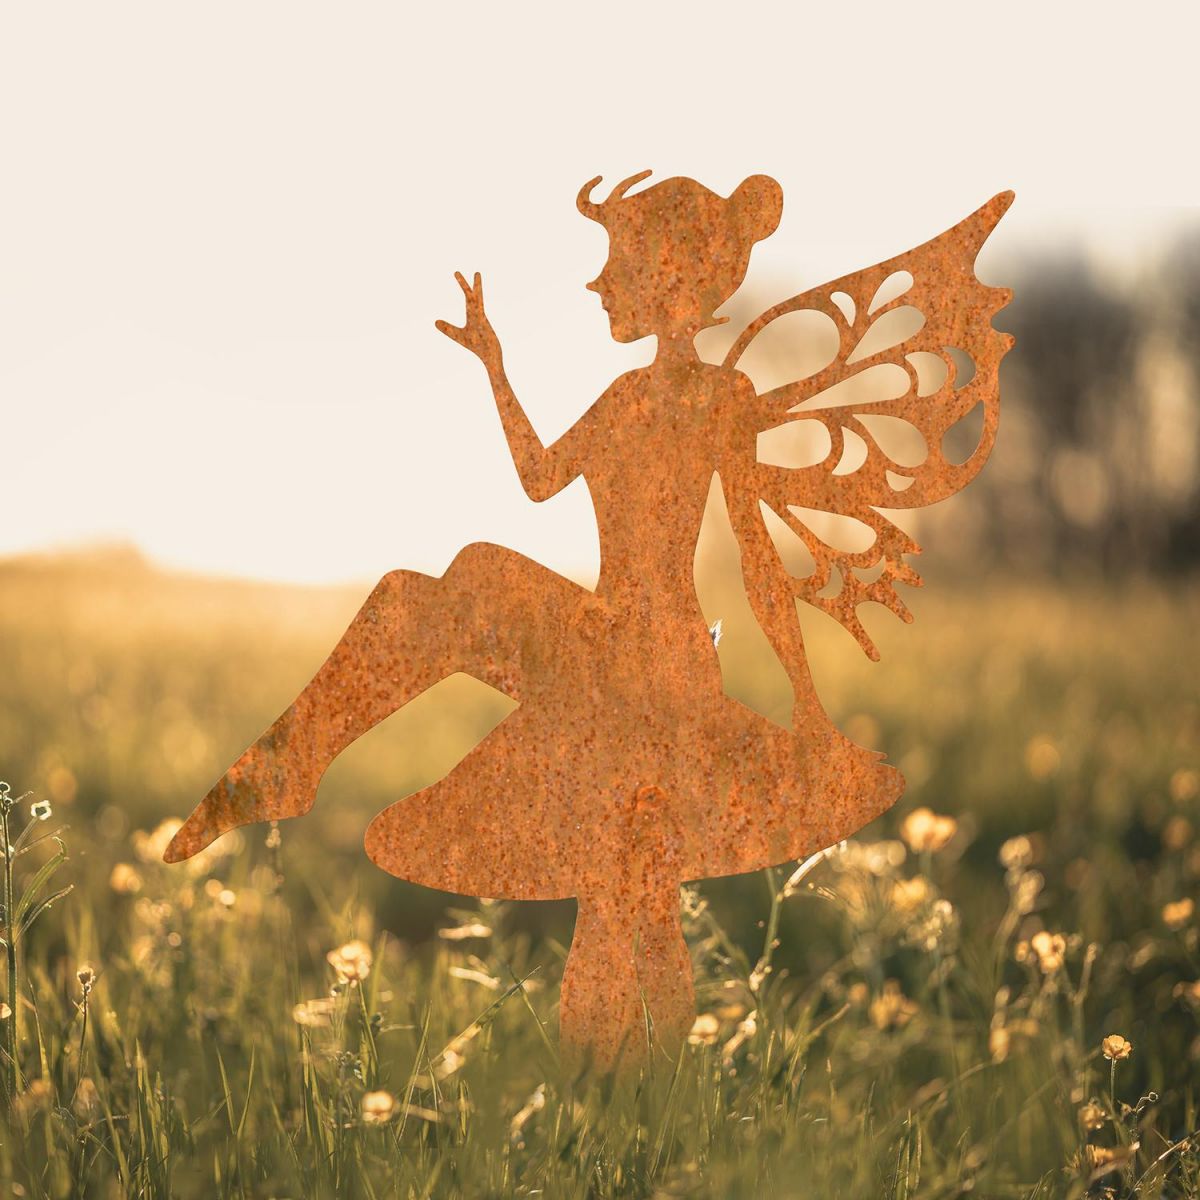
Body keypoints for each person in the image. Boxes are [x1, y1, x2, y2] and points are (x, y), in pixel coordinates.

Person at [166, 172, 905, 1064]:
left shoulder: (716, 401)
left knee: (633, 886)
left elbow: (754, 557)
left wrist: (810, 713)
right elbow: (541, 477)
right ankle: (288, 767)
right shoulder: (625, 400)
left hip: (656, 660)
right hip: (602, 640)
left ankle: (644, 1101)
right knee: (613, 865)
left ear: (670, 277)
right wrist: (496, 366)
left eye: (618, 264)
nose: (599, 285)